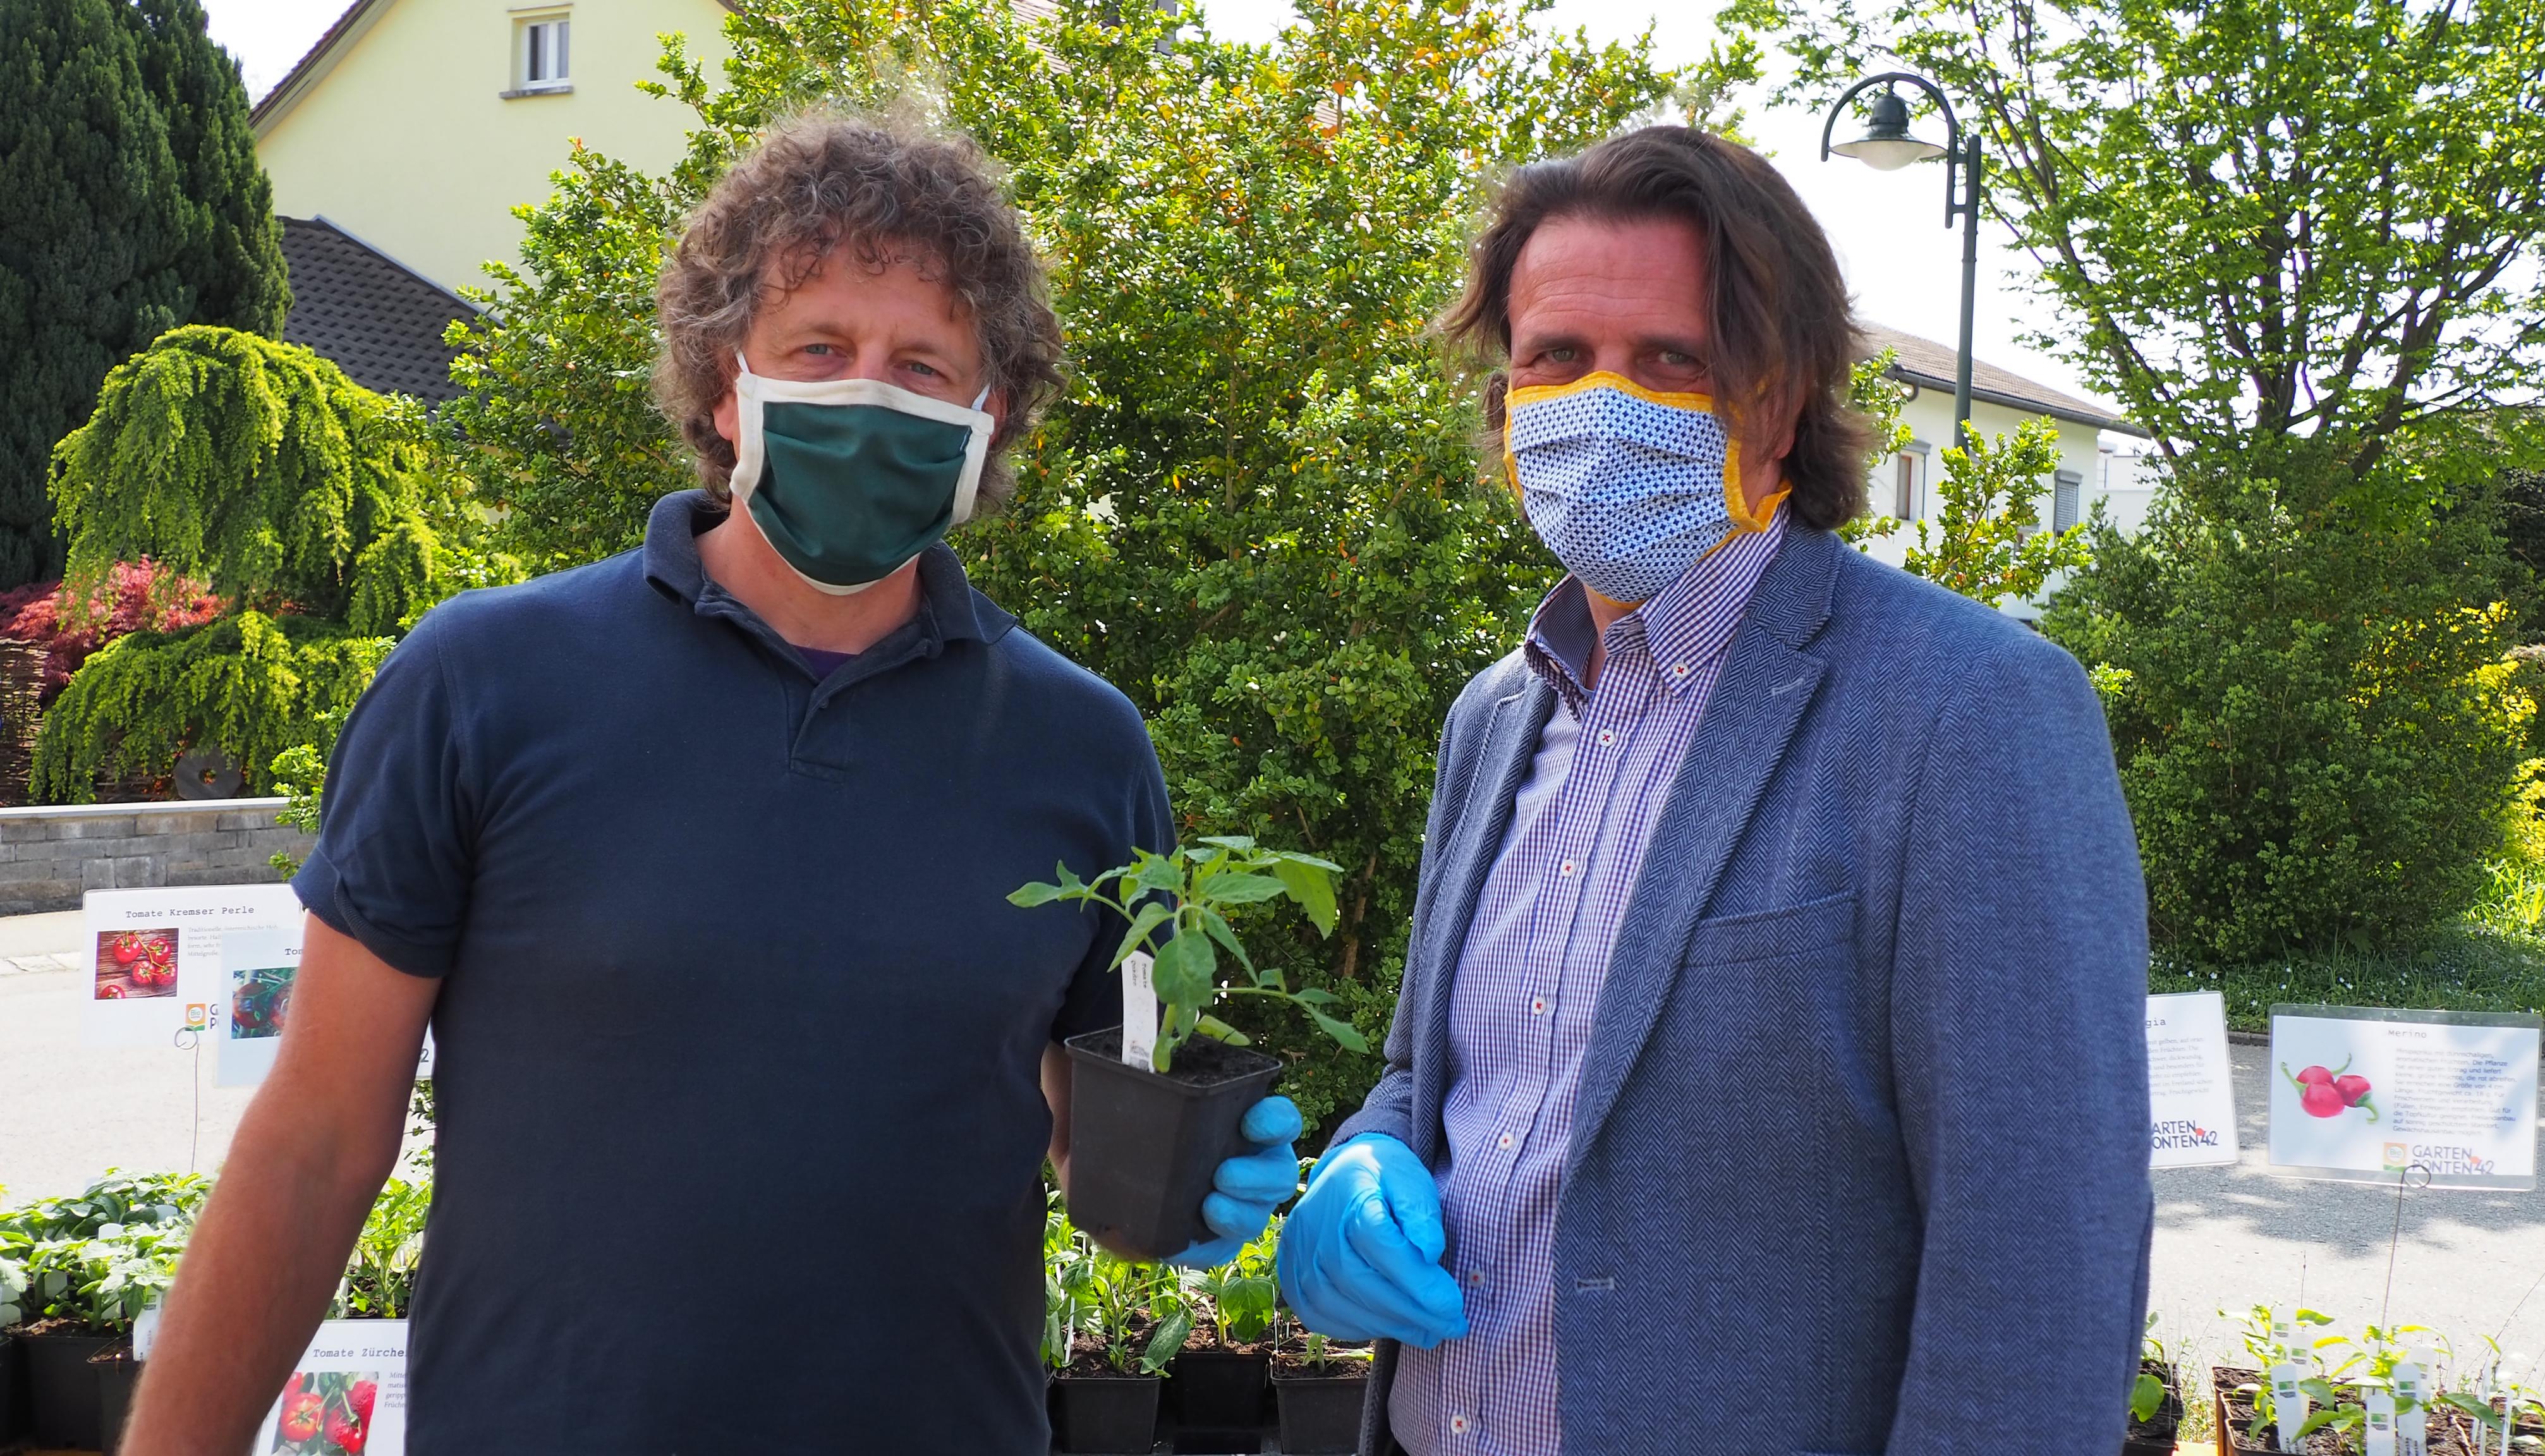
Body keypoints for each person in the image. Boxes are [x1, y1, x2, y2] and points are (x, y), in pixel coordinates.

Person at [120, 112, 1299, 1454]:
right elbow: (316, 1144)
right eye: (820, 349)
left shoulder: (1081, 746)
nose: (869, 395)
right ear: (726, 386)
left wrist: (1199, 1179)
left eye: (923, 367)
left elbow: (1101, 1155)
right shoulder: (484, 682)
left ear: (986, 421)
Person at [1276, 125, 2153, 1455]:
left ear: (1780, 400)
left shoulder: (1967, 711)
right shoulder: (1493, 717)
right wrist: (1368, 1149)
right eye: (1554, 356)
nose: (1600, 400)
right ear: (1506, 398)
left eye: (1671, 360)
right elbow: (1434, 1076)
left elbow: (2040, 1252)